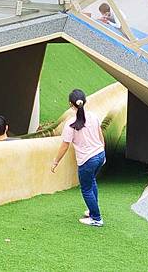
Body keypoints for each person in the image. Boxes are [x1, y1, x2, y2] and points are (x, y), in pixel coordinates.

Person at [51, 89, 106, 227]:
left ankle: (96, 218)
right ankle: (92, 211)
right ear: (85, 101)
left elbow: (65, 145)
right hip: (99, 154)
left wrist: (55, 161)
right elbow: (100, 135)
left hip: (87, 160)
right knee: (92, 181)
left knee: (86, 189)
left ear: (71, 104)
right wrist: (103, 152)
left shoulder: (70, 124)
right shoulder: (93, 116)